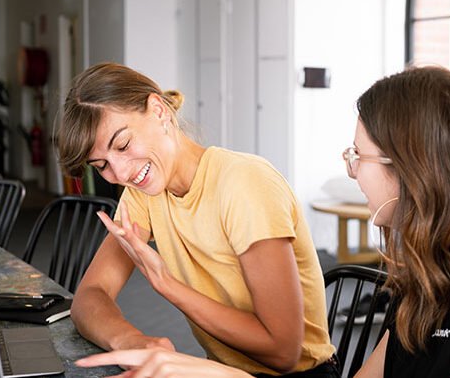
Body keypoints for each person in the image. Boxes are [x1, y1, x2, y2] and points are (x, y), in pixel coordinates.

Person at [77, 65, 450, 377]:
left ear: (414, 168)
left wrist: (212, 369)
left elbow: (282, 349)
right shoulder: (429, 274)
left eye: (358, 156)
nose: (352, 171)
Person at [57, 62, 338, 377]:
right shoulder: (144, 193)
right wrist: (132, 341)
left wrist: (168, 285)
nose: (120, 173)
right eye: (102, 165)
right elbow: (90, 295)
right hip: (222, 371)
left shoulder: (244, 183)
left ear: (159, 111)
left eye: (123, 145)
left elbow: (283, 352)